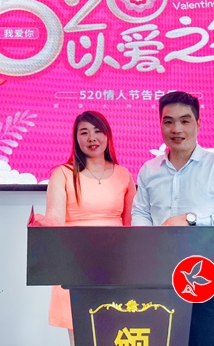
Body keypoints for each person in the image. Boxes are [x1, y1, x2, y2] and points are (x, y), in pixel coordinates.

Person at [131, 91, 214, 346]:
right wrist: (146, 240)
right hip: (156, 276)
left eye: (185, 121)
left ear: (198, 123)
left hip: (204, 276)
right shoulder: (149, 170)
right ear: (160, 124)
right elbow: (141, 212)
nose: (176, 129)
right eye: (168, 121)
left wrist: (191, 219)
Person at [40, 111, 137, 346]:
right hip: (75, 265)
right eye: (84, 132)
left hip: (114, 266)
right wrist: (40, 224)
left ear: (107, 136)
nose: (91, 138)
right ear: (76, 139)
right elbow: (55, 220)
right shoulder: (63, 173)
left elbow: (131, 225)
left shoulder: (123, 175)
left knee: (116, 334)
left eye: (97, 131)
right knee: (81, 334)